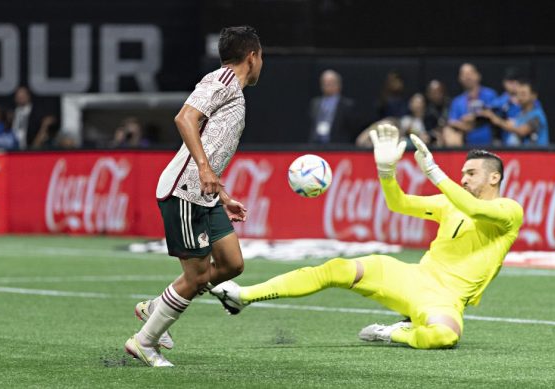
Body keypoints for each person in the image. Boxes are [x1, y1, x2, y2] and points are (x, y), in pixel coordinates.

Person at [211, 124, 523, 350]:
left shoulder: (509, 211)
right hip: (413, 277)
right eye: (463, 173)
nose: (463, 178)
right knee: (337, 268)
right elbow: (398, 203)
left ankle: (391, 333)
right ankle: (242, 296)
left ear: (494, 177)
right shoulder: (448, 203)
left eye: (471, 173)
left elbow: (475, 209)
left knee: (444, 337)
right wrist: (386, 172)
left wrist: (434, 172)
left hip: (445, 298)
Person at [124, 25, 263, 367]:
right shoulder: (223, 80)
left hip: (204, 193)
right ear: (252, 56)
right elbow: (185, 118)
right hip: (185, 190)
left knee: (232, 264)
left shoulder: (233, 91)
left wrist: (223, 193)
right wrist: (204, 170)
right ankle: (145, 341)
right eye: (262, 58)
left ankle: (157, 306)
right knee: (198, 275)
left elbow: (211, 147)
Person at [479, 80, 549, 146]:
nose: (520, 97)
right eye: (518, 94)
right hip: (520, 156)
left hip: (537, 156)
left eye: (523, 94)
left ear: (534, 96)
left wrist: (497, 120)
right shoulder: (520, 115)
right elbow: (511, 125)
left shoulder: (537, 115)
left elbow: (522, 131)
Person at [443, 63, 497, 146]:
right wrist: (465, 124)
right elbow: (452, 122)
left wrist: (473, 118)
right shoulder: (457, 102)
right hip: (466, 146)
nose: (468, 77)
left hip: (490, 145)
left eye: (470, 73)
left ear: (478, 75)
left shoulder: (490, 94)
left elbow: (493, 116)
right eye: (464, 74)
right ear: (460, 78)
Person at [308, 69, 357, 144]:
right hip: (316, 144)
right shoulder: (315, 103)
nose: (327, 85)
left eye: (330, 82)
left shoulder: (346, 104)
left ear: (338, 84)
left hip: (337, 146)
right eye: (325, 82)